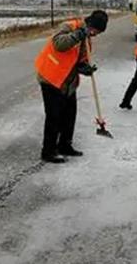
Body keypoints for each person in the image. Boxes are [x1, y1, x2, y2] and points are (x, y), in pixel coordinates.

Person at [34, 10, 108, 163]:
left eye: (98, 33)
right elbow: (59, 45)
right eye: (95, 31)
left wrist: (84, 68)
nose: (95, 34)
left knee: (69, 115)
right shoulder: (69, 27)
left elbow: (78, 60)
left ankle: (65, 145)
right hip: (51, 78)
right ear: (90, 25)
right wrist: (79, 34)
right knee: (54, 117)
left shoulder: (87, 39)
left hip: (68, 82)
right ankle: (48, 151)